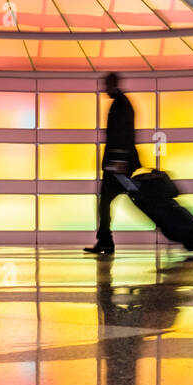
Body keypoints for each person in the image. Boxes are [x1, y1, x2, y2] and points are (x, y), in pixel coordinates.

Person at [85, 73, 139, 256]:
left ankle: (105, 241)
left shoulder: (120, 105)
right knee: (109, 201)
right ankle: (105, 240)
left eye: (105, 84)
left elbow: (121, 136)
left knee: (105, 202)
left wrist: (116, 163)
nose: (103, 88)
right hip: (120, 164)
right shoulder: (122, 103)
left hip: (118, 165)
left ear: (112, 84)